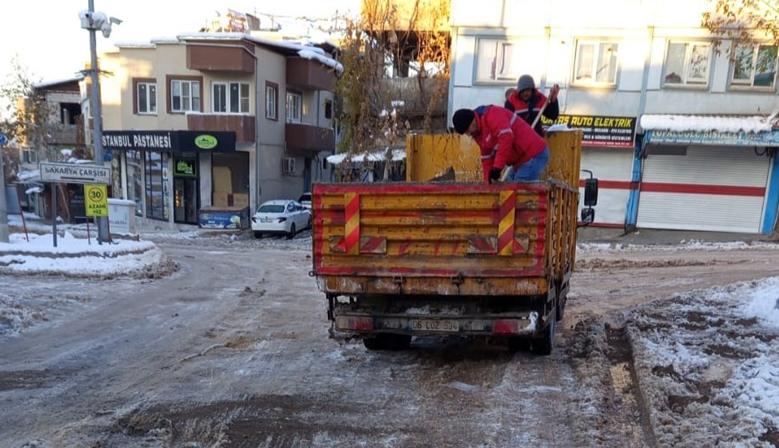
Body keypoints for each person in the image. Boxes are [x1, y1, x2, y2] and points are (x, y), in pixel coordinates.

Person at [451, 105, 549, 182]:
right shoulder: (478, 134)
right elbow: (487, 158)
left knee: (518, 192)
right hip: (519, 160)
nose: (468, 134)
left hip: (533, 154)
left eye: (467, 130)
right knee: (507, 188)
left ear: (472, 121)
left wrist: (497, 168)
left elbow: (506, 138)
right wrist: (488, 182)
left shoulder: (492, 114)